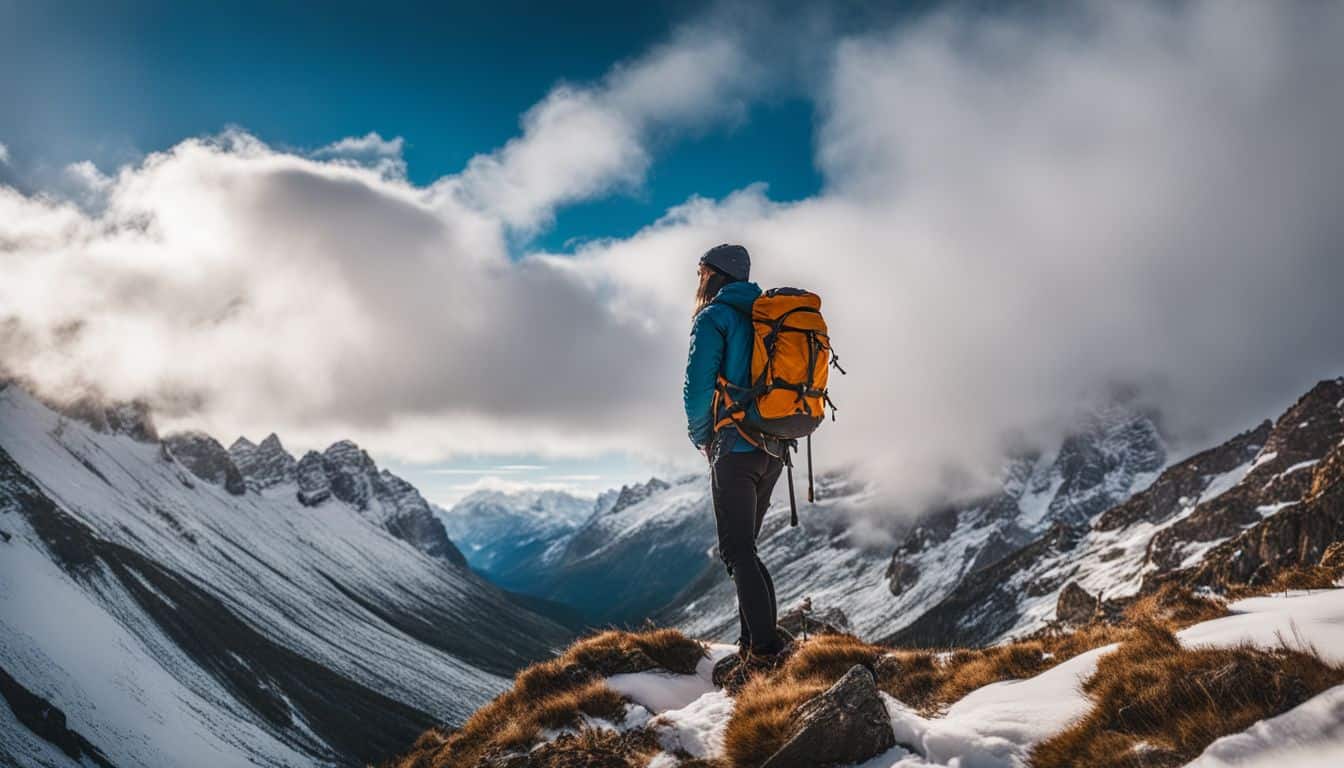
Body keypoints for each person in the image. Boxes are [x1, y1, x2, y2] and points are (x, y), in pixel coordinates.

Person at [683, 243, 790, 680]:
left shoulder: (713, 318)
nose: (699, 279)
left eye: (701, 272)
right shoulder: (770, 315)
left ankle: (764, 653)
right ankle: (755, 647)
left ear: (715, 275)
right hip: (774, 450)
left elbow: (697, 388)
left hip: (735, 449)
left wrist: (701, 437)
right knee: (746, 549)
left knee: (737, 550)